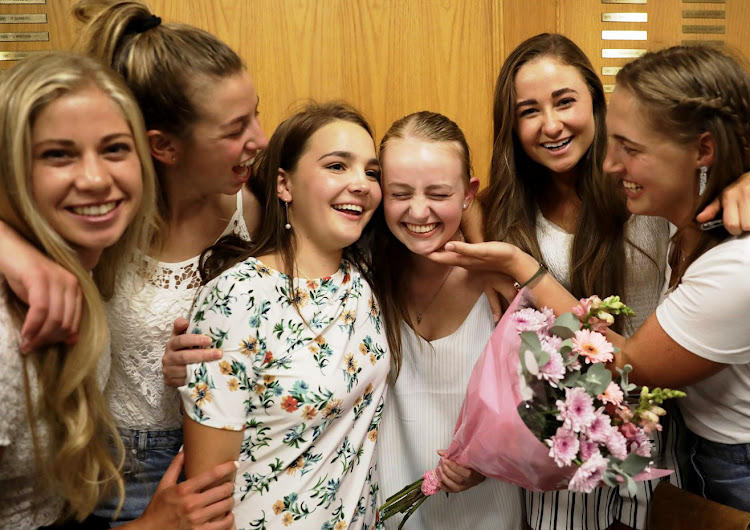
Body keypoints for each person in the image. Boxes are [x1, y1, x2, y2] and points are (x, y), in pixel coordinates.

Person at [430, 44, 750, 514]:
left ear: (598, 107)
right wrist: (489, 261)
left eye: (565, 101)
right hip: (559, 453)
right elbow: (468, 201)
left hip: (664, 438)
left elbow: (632, 364)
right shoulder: (514, 211)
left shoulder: (651, 195)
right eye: (529, 111)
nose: (552, 124)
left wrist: (744, 176)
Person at [0, 0, 268, 523]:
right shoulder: (100, 235)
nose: (260, 138)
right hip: (111, 461)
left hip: (218, 451)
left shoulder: (253, 207)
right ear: (163, 147)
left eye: (113, 150)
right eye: (59, 154)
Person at [179, 101, 389, 529]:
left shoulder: (365, 280)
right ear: (284, 184)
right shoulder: (236, 298)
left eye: (371, 172)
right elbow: (207, 495)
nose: (361, 184)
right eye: (337, 166)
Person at [371, 111, 523, 529]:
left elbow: (537, 406)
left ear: (468, 194)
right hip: (386, 508)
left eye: (438, 192)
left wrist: (490, 458)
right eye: (399, 193)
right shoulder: (363, 281)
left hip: (489, 508)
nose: (419, 211)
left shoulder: (504, 287)